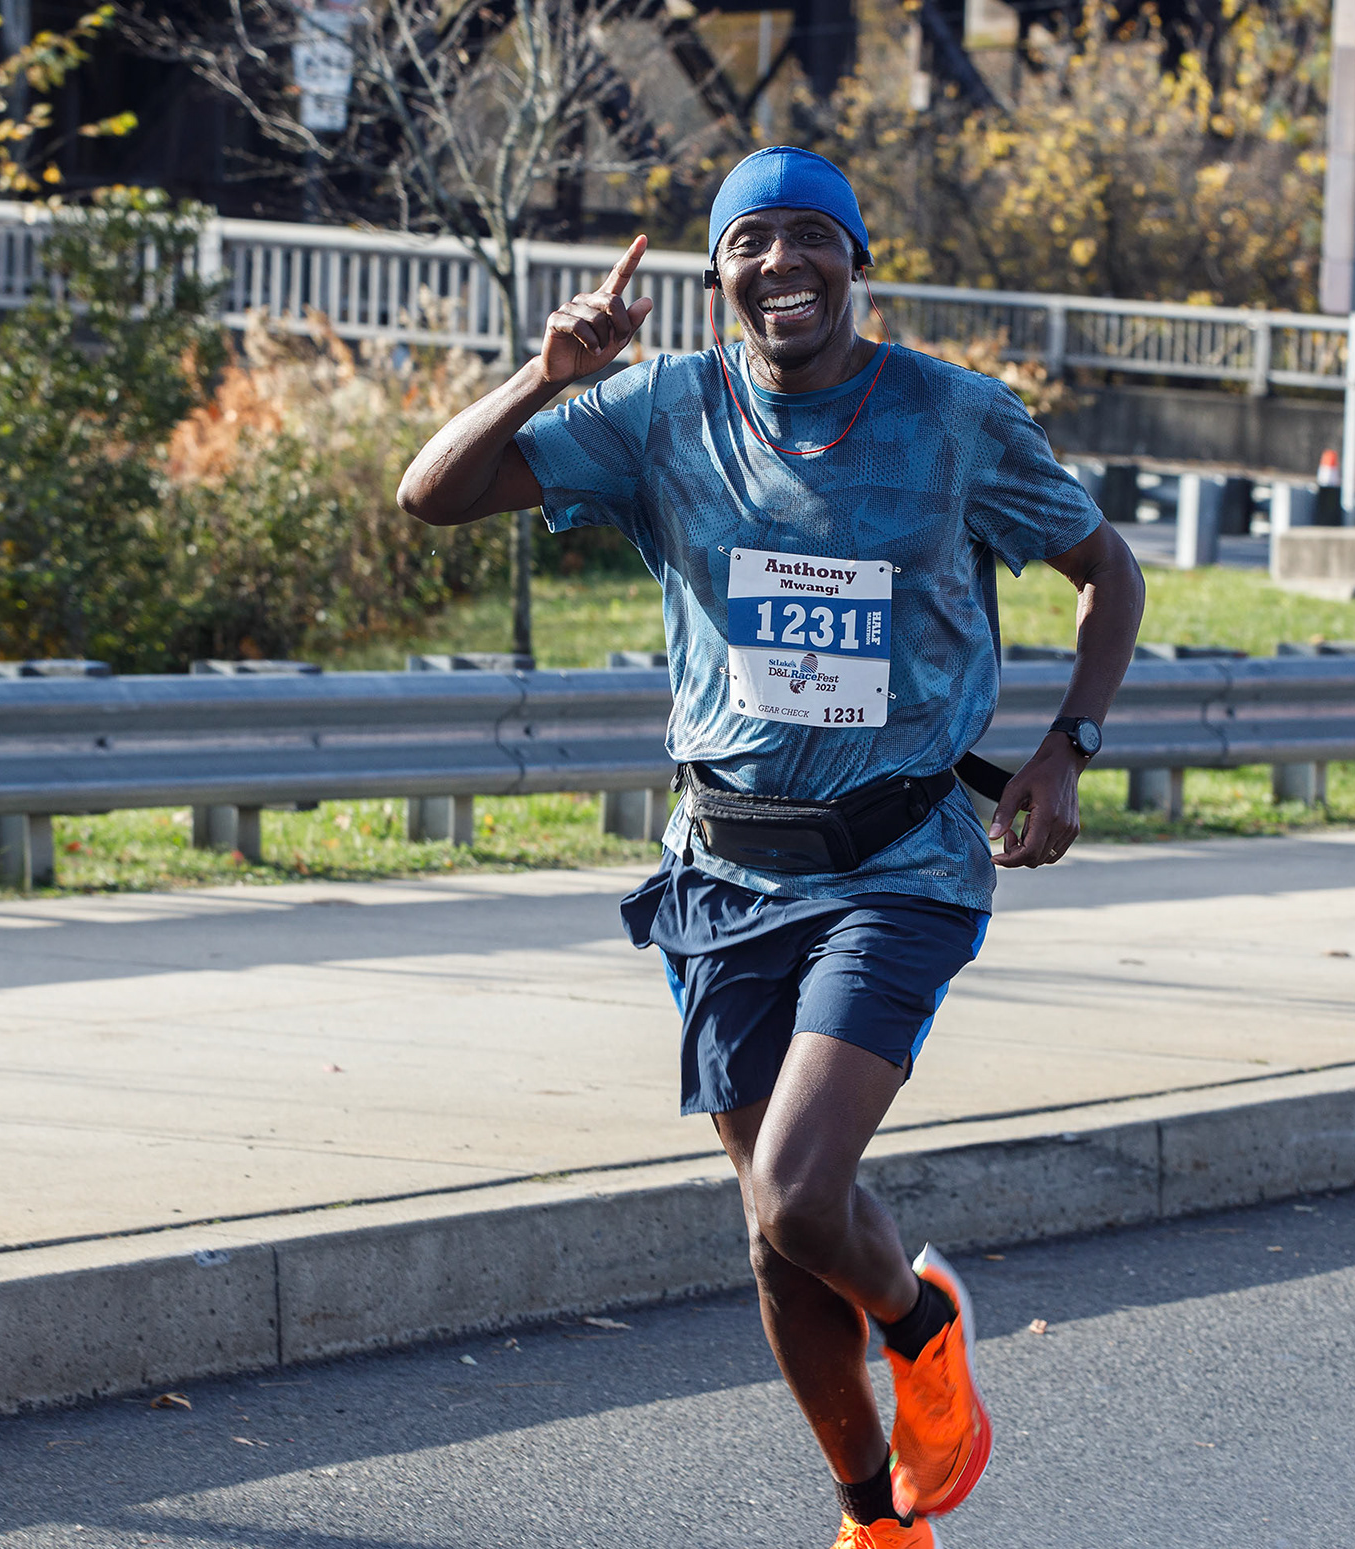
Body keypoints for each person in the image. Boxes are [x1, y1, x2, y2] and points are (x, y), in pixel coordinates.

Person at [398, 146, 1144, 1549]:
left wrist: (1069, 744)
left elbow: (1111, 569)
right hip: (722, 872)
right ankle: (876, 1518)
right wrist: (549, 371)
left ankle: (925, 1328)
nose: (782, 265)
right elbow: (430, 494)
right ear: (719, 275)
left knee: (803, 1191)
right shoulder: (660, 413)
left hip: (898, 862)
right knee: (779, 1239)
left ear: (858, 260)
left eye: (813, 238)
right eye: (752, 243)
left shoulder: (952, 417)